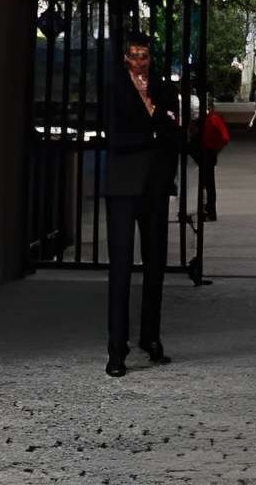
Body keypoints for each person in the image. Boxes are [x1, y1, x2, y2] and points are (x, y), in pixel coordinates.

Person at [102, 30, 181, 377]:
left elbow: (177, 136)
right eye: (132, 55)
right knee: (120, 269)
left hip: (155, 187)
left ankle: (151, 338)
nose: (138, 62)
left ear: (151, 57)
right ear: (124, 58)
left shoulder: (166, 90)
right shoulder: (115, 88)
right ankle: (116, 349)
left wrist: (159, 135)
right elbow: (114, 137)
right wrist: (152, 134)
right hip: (122, 187)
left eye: (143, 56)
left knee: (155, 268)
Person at [191, 97, 229, 222]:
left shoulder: (212, 119)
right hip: (206, 151)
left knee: (207, 183)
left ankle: (209, 210)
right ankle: (206, 209)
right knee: (205, 182)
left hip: (208, 151)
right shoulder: (206, 119)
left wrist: (214, 150)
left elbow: (224, 138)